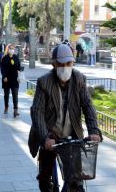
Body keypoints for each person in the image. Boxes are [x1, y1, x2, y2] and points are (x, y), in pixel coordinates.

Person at [28, 44, 102, 192]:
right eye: (60, 64)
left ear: (73, 63)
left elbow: (88, 106)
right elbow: (37, 111)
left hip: (71, 134)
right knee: (45, 175)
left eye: (68, 64)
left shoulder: (79, 80)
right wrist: (44, 138)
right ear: (54, 64)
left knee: (75, 178)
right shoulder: (44, 82)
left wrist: (93, 130)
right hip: (50, 133)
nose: (65, 67)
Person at [1, 44, 22, 117]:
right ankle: (6, 107)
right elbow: (2, 69)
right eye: (10, 49)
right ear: (7, 49)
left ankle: (15, 110)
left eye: (13, 49)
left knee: (15, 95)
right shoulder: (4, 58)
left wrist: (19, 76)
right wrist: (4, 76)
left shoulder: (16, 57)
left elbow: (19, 67)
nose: (12, 50)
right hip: (6, 79)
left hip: (15, 78)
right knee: (6, 95)